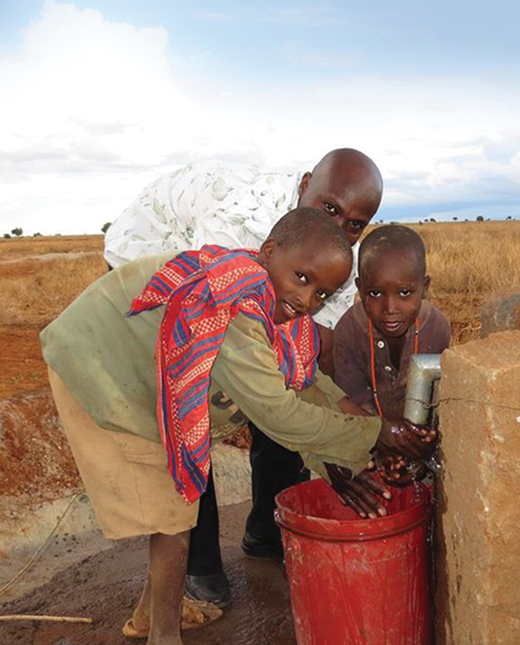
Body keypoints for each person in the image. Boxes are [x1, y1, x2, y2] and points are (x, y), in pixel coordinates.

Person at [41, 209, 434, 645]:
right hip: (97, 359)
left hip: (135, 368)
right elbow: (277, 412)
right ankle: (163, 636)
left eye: (323, 294)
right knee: (173, 509)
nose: (308, 302)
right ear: (269, 252)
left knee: (173, 504)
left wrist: (350, 456)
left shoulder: (282, 316)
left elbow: (310, 387)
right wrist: (377, 433)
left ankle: (150, 614)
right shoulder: (234, 305)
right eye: (303, 280)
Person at [104, 149, 384, 607]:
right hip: (152, 268)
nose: (339, 226)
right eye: (329, 207)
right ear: (305, 183)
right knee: (191, 401)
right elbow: (226, 336)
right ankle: (200, 561)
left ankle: (266, 529)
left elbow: (312, 355)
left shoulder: (330, 257)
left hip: (241, 290)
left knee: (285, 369)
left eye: (355, 223)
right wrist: (359, 436)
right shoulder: (242, 218)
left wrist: (336, 445)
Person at [332, 225, 450, 517]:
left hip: (415, 442)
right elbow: (352, 404)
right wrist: (383, 454)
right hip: (363, 440)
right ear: (359, 289)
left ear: (425, 286)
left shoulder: (437, 328)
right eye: (374, 293)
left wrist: (415, 456)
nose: (390, 308)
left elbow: (437, 405)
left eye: (405, 292)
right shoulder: (348, 331)